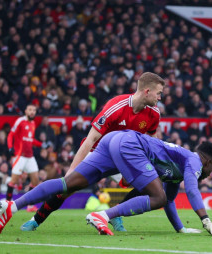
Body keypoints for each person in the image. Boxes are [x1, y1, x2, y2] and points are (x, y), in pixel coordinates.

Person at [0, 130, 212, 237]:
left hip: (113, 142)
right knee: (157, 196)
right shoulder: (194, 160)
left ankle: (11, 206)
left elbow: (171, 200)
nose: (210, 173)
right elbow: (193, 190)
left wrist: (181, 228)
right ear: (208, 161)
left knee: (68, 183)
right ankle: (104, 216)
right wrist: (206, 220)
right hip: (131, 145)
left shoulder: (180, 167)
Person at [21, 72, 165, 232]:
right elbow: (90, 139)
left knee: (147, 185)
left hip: (123, 158)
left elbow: (151, 141)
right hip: (98, 153)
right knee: (67, 188)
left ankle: (114, 213)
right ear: (147, 91)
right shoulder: (116, 106)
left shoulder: (154, 113)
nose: (160, 98)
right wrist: (72, 170)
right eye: (159, 93)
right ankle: (35, 220)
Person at [6, 104, 45, 212]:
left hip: (30, 156)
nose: (32, 112)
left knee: (35, 180)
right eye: (30, 110)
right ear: (26, 111)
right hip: (20, 156)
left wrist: (41, 144)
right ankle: (7, 205)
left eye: (34, 110)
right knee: (13, 181)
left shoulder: (33, 123)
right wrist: (10, 147)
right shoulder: (20, 121)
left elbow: (30, 139)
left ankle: (30, 206)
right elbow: (10, 135)